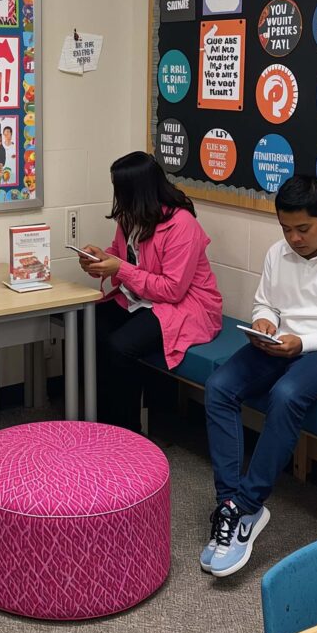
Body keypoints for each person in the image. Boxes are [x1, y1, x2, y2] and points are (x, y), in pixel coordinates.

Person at [201, 175, 317, 578]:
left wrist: (304, 343)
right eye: (286, 228)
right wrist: (264, 321)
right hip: (282, 343)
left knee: (287, 394)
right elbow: (267, 303)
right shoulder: (278, 253)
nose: (294, 238)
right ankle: (229, 504)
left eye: (303, 228)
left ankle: (248, 507)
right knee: (219, 387)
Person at [78, 151, 222, 432]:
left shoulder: (182, 224)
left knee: (120, 346)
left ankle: (126, 432)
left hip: (185, 306)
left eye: (120, 189)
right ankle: (99, 421)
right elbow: (120, 254)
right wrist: (100, 260)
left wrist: (119, 269)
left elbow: (172, 289)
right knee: (86, 325)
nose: (117, 195)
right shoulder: (129, 217)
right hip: (140, 297)